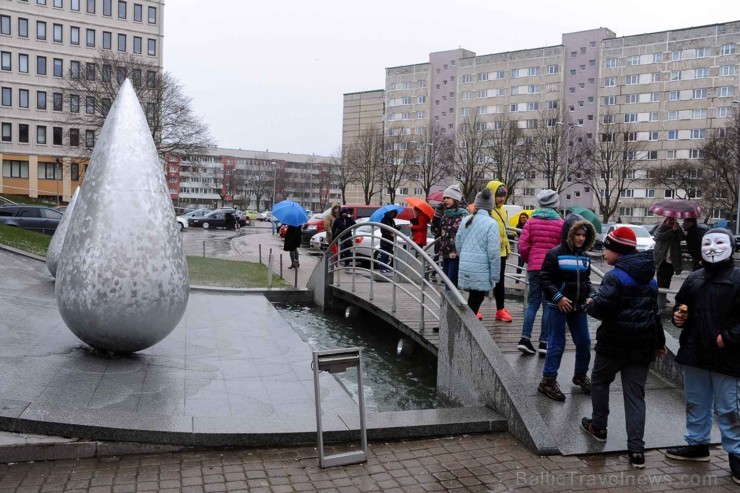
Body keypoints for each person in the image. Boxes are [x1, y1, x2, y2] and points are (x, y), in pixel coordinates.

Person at [581, 227, 666, 469]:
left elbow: (603, 309)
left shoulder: (614, 277)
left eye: (607, 248)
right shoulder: (649, 278)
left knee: (599, 381)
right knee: (635, 396)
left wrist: (591, 304)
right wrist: (659, 342)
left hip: (614, 344)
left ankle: (598, 426)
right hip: (641, 346)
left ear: (617, 251)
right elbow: (654, 313)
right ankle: (636, 451)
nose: (604, 252)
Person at [665, 228, 739, 485]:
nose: (712, 247)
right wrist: (678, 317)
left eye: (720, 242)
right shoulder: (695, 277)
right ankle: (697, 445)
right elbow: (680, 305)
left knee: (731, 407)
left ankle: (737, 454)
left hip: (727, 356)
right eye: (708, 243)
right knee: (696, 402)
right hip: (695, 351)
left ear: (731, 246)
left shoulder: (739, 277)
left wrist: (728, 338)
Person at [537, 214, 597, 401]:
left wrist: (592, 295)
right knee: (557, 344)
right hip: (558, 306)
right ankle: (548, 380)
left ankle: (580, 375)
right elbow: (544, 279)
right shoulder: (555, 254)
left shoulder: (584, 257)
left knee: (585, 342)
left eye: (584, 235)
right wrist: (558, 297)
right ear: (569, 234)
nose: (580, 238)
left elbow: (586, 281)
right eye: (577, 234)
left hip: (578, 307)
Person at [516, 189, 564, 356]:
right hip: (552, 269)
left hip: (535, 267)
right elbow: (563, 247)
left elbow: (522, 245)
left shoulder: (531, 221)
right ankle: (544, 342)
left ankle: (525, 339)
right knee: (548, 305)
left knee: (533, 302)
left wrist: (529, 259)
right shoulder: (560, 223)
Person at [456, 188, 501, 316]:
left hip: (466, 266)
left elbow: (458, 242)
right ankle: (466, 326)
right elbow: (494, 253)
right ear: (490, 206)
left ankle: (466, 323)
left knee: (473, 297)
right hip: (481, 269)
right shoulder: (492, 224)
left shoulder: (466, 220)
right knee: (477, 298)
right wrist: (495, 276)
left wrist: (464, 256)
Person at [486, 180, 513, 322]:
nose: (501, 198)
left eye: (504, 195)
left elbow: (504, 231)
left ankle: (500, 309)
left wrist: (507, 248)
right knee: (483, 280)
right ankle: (475, 309)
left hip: (501, 251)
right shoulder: (486, 210)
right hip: (488, 251)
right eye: (498, 195)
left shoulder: (503, 210)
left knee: (500, 281)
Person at [438, 184, 468, 290]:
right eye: (444, 198)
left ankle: (454, 305)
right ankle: (449, 305)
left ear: (455, 199)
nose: (445, 200)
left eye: (448, 198)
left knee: (451, 282)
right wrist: (437, 216)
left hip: (456, 255)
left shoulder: (464, 215)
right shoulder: (445, 215)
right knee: (447, 283)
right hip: (445, 253)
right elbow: (435, 232)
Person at [653, 216, 685, 307]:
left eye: (673, 220)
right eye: (669, 220)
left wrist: (678, 229)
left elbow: (682, 238)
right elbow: (659, 237)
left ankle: (664, 296)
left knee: (668, 279)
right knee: (661, 279)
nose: (671, 222)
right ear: (666, 220)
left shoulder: (677, 229)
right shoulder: (662, 228)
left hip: (672, 259)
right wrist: (672, 230)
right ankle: (659, 298)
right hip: (662, 258)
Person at [514, 212, 529, 281]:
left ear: (527, 218)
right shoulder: (518, 226)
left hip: (528, 246)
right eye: (521, 218)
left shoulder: (529, 225)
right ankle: (517, 279)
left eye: (524, 218)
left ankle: (527, 279)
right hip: (521, 246)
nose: (522, 219)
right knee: (520, 263)